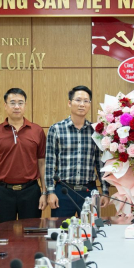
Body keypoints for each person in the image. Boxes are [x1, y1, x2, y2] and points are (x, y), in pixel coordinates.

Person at [0, 87, 47, 224]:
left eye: (20, 103)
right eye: (12, 103)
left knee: (31, 232)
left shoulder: (37, 131)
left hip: (31, 191)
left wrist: (44, 192)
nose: (17, 106)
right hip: (3, 192)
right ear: (5, 106)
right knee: (3, 233)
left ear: (25, 105)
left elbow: (42, 163)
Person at [45, 85, 110, 218]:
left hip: (89, 191)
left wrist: (105, 191)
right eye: (78, 100)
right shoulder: (56, 129)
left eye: (86, 101)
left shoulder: (95, 131)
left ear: (90, 105)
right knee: (61, 228)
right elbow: (50, 163)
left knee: (91, 228)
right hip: (63, 191)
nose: (82, 104)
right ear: (70, 103)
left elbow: (101, 163)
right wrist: (50, 192)